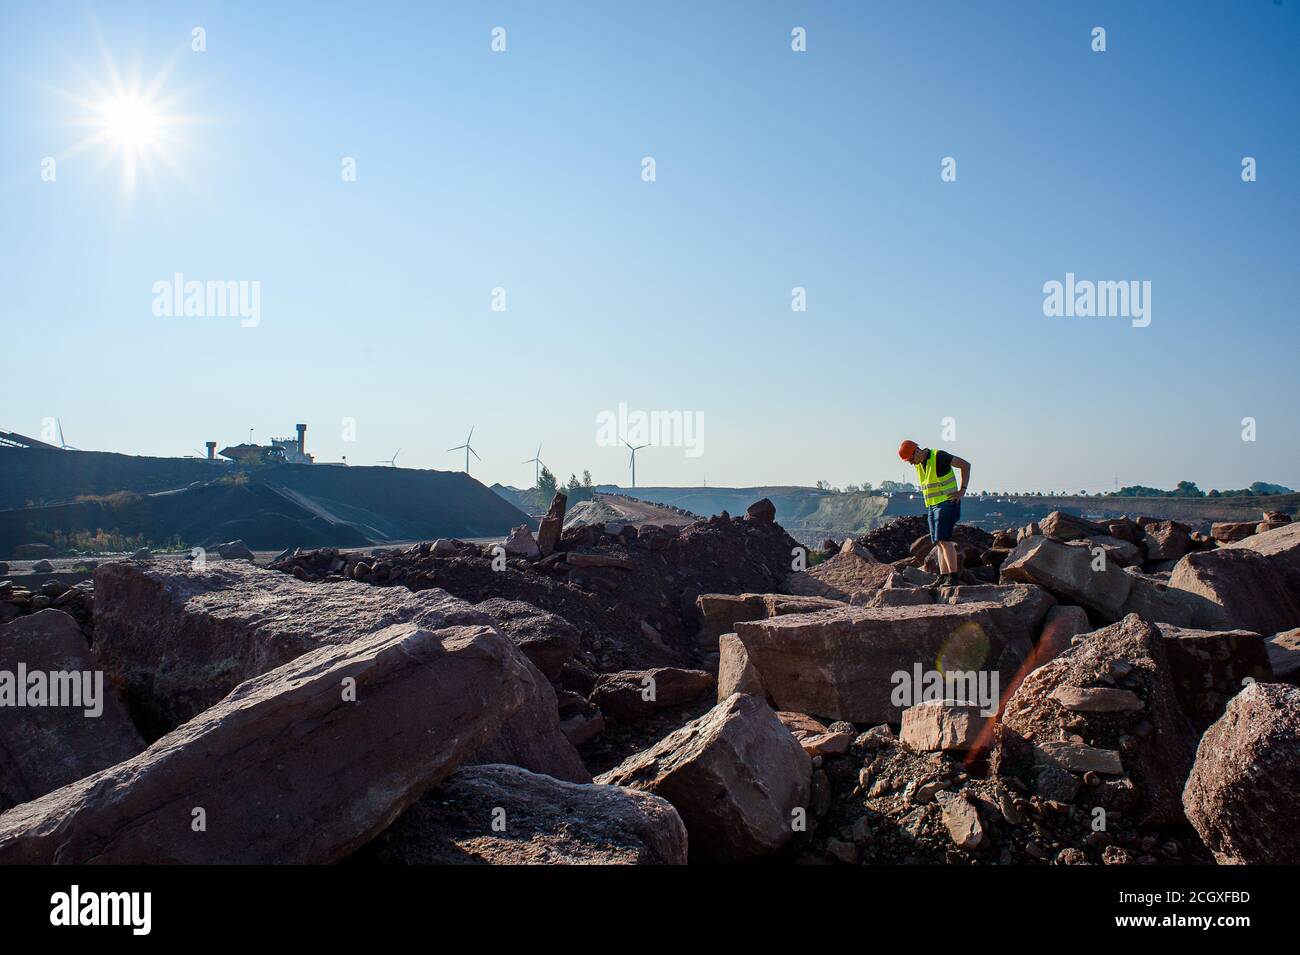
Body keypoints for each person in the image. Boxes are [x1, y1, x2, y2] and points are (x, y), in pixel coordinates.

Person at [898, 439, 971, 585]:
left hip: (947, 503)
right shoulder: (920, 464)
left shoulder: (939, 456)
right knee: (938, 543)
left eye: (911, 459)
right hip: (932, 505)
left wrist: (962, 491)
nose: (911, 463)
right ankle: (943, 577)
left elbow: (965, 465)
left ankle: (953, 577)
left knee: (945, 541)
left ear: (916, 451)